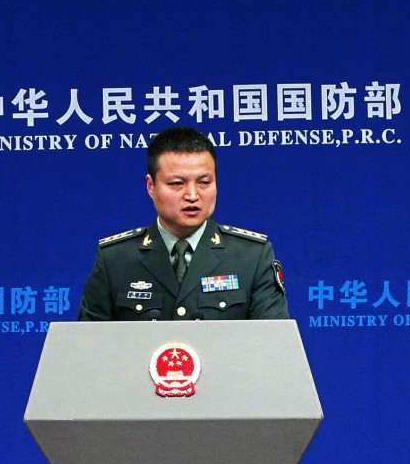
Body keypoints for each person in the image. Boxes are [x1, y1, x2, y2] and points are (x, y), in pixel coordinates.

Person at [78, 126, 288, 321]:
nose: (192, 195)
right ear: (151, 186)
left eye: (204, 182)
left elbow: (273, 346)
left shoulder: (252, 257)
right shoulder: (115, 259)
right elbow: (88, 347)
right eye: (177, 184)